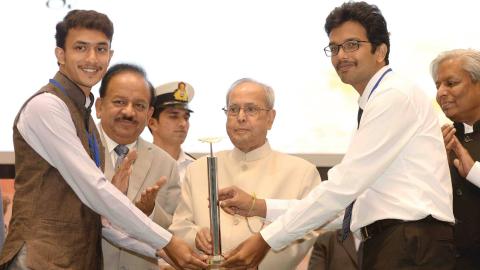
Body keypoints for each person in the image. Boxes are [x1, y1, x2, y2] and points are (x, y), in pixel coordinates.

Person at [218, 2, 455, 269]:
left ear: (380, 50)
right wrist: (259, 207)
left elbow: (342, 189)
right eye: (334, 47)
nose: (341, 55)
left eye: (352, 45)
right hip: (394, 244)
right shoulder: (375, 102)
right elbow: (348, 209)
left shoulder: (393, 96)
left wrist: (266, 239)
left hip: (409, 245)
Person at [0, 10, 207, 269]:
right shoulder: (47, 107)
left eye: (100, 49)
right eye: (80, 48)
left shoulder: (82, 115)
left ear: (109, 56)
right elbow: (94, 189)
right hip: (37, 260)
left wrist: (160, 253)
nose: (91, 58)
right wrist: (166, 242)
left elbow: (98, 220)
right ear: (60, 55)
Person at [169, 78, 321, 269]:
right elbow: (179, 226)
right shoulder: (198, 169)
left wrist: (258, 259)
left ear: (270, 118)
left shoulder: (301, 172)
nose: (240, 117)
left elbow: (308, 231)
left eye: (251, 109)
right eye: (233, 109)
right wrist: (195, 236)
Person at [95, 63, 182, 270]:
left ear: (150, 113)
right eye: (119, 102)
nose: (129, 112)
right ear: (99, 106)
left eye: (139, 106)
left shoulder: (166, 164)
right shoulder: (78, 150)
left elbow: (174, 230)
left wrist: (149, 212)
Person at [432, 49, 480, 270]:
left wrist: (474, 172)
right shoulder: (438, 140)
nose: (441, 92)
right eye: (437, 85)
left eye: (450, 84)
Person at [149, 81, 196, 184]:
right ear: (152, 123)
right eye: (174, 116)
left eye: (186, 117)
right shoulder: (138, 165)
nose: (183, 124)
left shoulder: (197, 168)